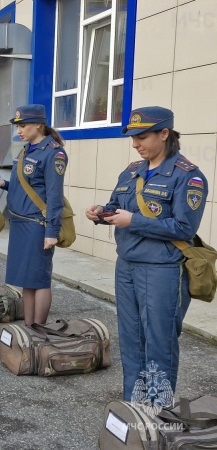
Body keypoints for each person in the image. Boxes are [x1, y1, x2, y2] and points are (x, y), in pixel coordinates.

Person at [85, 107, 208, 403]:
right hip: (126, 265)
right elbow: (117, 205)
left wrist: (134, 221)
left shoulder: (188, 177)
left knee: (158, 343)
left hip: (161, 269)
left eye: (142, 137)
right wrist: (101, 213)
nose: (135, 144)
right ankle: (134, 406)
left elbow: (183, 227)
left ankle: (156, 412)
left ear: (164, 134)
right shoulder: (131, 171)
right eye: (133, 138)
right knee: (130, 340)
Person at [0, 104, 67, 326]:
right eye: (17, 126)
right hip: (21, 223)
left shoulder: (53, 152)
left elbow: (54, 195)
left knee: (39, 280)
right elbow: (25, 186)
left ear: (39, 125)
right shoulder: (27, 149)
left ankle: (39, 330)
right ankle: (29, 327)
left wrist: (51, 231)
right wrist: (3, 184)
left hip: (37, 225)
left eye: (23, 125)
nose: (19, 130)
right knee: (26, 279)